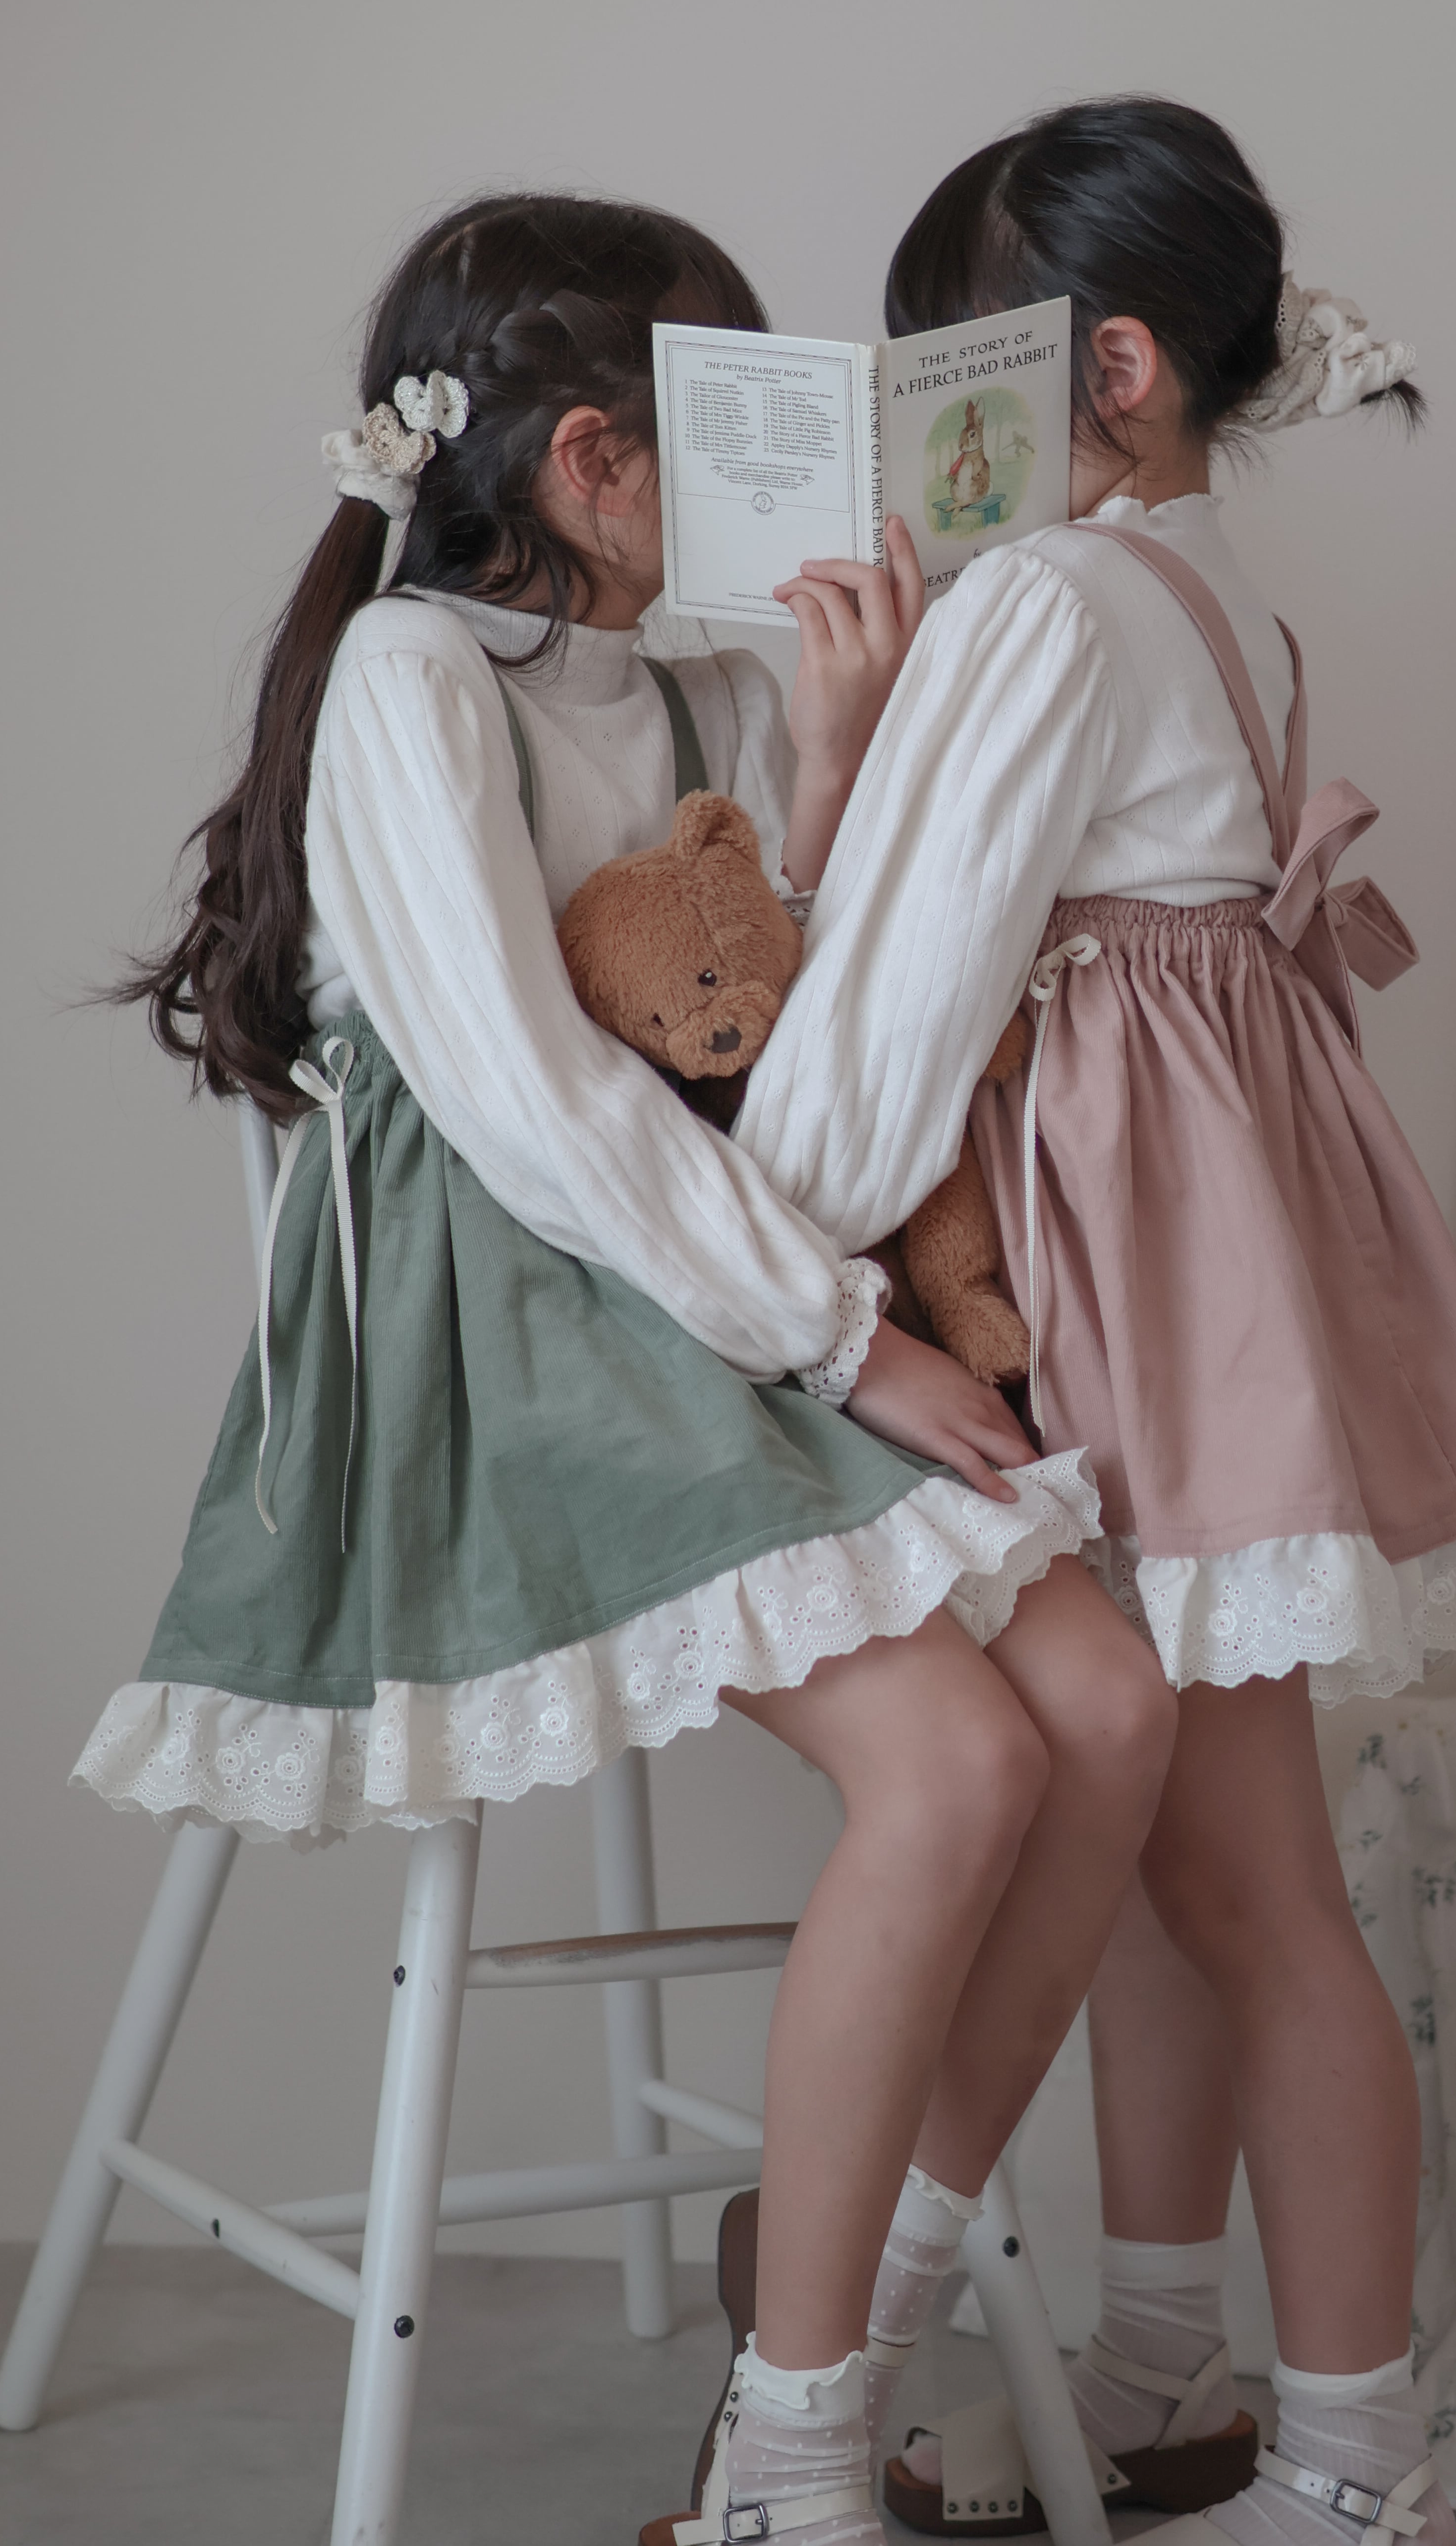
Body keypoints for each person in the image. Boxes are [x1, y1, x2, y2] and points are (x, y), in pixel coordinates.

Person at [80, 192, 1177, 2546]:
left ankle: (833, 2312)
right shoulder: (410, 682)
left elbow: (778, 1023)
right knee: (963, 1760)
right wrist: (847, 1341)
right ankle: (798, 2447)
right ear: (597, 461)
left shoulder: (698, 685)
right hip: (514, 1318)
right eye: (737, 428)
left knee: (1109, 1706)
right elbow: (536, 1109)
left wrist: (838, 753)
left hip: (722, 1265)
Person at [735, 102, 1456, 2546]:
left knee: (1247, 1888)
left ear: (1105, 370)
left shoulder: (1044, 604)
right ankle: (1163, 2366)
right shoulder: (1223, 600)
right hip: (1209, 1261)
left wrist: (761, 1251)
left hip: (1133, 1275)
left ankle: (1350, 2472)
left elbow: (900, 1010)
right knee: (1180, 1866)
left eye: (955, 377)